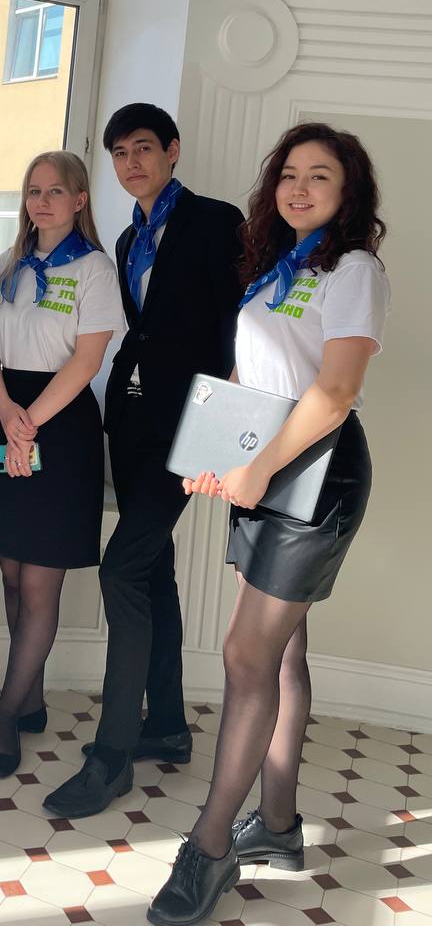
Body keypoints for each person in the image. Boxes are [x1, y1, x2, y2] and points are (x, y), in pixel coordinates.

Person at [147, 122, 390, 926]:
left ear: (347, 193)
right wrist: (217, 448)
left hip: (317, 474)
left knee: (244, 653)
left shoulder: (354, 270)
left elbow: (336, 392)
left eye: (319, 175)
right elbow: (252, 373)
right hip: (267, 463)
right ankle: (278, 826)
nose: (299, 188)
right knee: (282, 652)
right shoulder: (278, 268)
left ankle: (211, 843)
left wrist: (257, 466)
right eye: (289, 174)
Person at [45, 104, 243, 818]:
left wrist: (222, 436)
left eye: (143, 149)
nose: (131, 164)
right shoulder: (129, 236)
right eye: (120, 154)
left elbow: (238, 328)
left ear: (172, 151)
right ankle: (166, 724)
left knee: (121, 569)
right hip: (132, 422)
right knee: (152, 570)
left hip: (190, 427)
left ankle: (112, 755)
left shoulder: (216, 222)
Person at [0, 150, 125, 779]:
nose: (42, 201)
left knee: (39, 583)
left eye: (55, 191)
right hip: (9, 414)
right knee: (11, 573)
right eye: (33, 190)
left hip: (62, 425)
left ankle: (7, 717)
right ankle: (27, 702)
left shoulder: (94, 269)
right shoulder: (9, 267)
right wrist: (6, 409)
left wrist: (29, 421)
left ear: (80, 199)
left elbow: (88, 361)